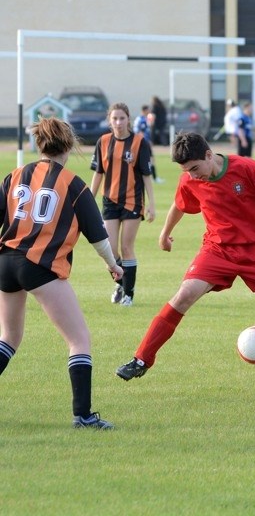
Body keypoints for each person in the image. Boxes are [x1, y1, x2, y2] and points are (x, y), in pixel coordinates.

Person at [115, 132, 255, 394]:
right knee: (182, 297)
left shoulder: (247, 169)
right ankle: (141, 359)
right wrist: (164, 232)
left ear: (209, 156)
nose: (192, 175)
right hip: (217, 250)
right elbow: (180, 204)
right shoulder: (190, 179)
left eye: (195, 168)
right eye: (186, 171)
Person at [0, 117, 123, 429]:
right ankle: (83, 416)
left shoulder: (15, 175)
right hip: (39, 266)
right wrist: (112, 264)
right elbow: (98, 235)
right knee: (79, 339)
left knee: (9, 338)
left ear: (39, 144)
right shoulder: (73, 183)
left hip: (5, 263)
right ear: (68, 146)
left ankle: (83, 416)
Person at [90, 103, 156, 307]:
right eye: (114, 119)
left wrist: (151, 204)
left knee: (127, 247)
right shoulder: (103, 141)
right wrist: (88, 200)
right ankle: (119, 283)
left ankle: (129, 294)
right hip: (109, 200)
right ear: (109, 121)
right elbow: (98, 173)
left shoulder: (139, 142)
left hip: (132, 201)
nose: (118, 122)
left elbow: (146, 176)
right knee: (109, 249)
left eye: (122, 118)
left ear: (128, 119)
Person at [135, 104, 163, 183]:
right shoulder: (141, 120)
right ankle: (154, 178)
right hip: (143, 143)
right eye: (148, 110)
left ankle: (153, 178)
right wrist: (145, 141)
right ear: (144, 110)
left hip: (145, 142)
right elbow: (139, 132)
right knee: (149, 159)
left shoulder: (144, 119)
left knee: (150, 159)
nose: (149, 111)